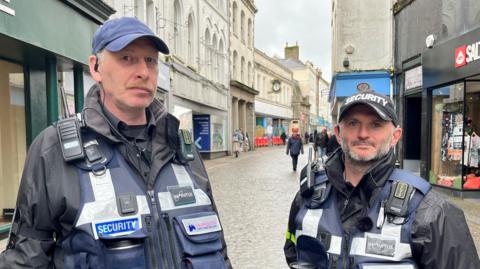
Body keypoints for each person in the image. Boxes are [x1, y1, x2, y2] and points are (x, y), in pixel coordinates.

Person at [0, 17, 231, 269]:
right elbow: (25, 260)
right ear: (96, 67)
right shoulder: (54, 150)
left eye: (150, 60)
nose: (143, 71)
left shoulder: (182, 147)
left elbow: (219, 250)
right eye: (127, 58)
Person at [284, 91, 480, 269]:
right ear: (338, 133)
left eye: (376, 124)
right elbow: (293, 253)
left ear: (395, 136)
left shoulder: (432, 212)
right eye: (353, 123)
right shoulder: (307, 197)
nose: (363, 134)